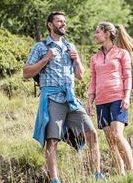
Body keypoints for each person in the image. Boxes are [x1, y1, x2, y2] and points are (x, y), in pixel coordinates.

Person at [23, 11, 105, 183]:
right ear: (50, 25)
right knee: (52, 140)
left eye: (64, 21)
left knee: (91, 133)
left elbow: (81, 75)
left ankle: (97, 175)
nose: (63, 24)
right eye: (59, 21)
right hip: (52, 98)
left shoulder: (71, 46)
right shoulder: (40, 47)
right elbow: (26, 72)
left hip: (71, 98)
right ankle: (54, 180)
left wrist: (77, 60)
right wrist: (46, 58)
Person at [87, 22, 133, 175]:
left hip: (118, 98)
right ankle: (121, 174)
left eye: (97, 32)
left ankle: (131, 171)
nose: (95, 35)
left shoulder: (122, 53)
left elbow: (128, 76)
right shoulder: (94, 58)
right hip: (101, 102)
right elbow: (93, 81)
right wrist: (89, 101)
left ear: (106, 33)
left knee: (117, 135)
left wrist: (126, 97)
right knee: (110, 140)